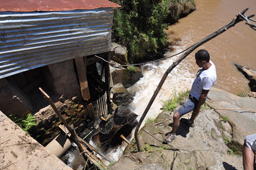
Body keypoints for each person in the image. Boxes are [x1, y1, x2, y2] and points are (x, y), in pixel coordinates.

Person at [163, 49, 217, 144]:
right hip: (195, 96)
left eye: (197, 61)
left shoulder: (208, 77)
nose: (196, 63)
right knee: (194, 111)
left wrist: (197, 107)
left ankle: (172, 134)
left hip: (195, 100)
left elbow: (203, 95)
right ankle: (190, 122)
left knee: (176, 116)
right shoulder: (210, 64)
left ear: (203, 62)